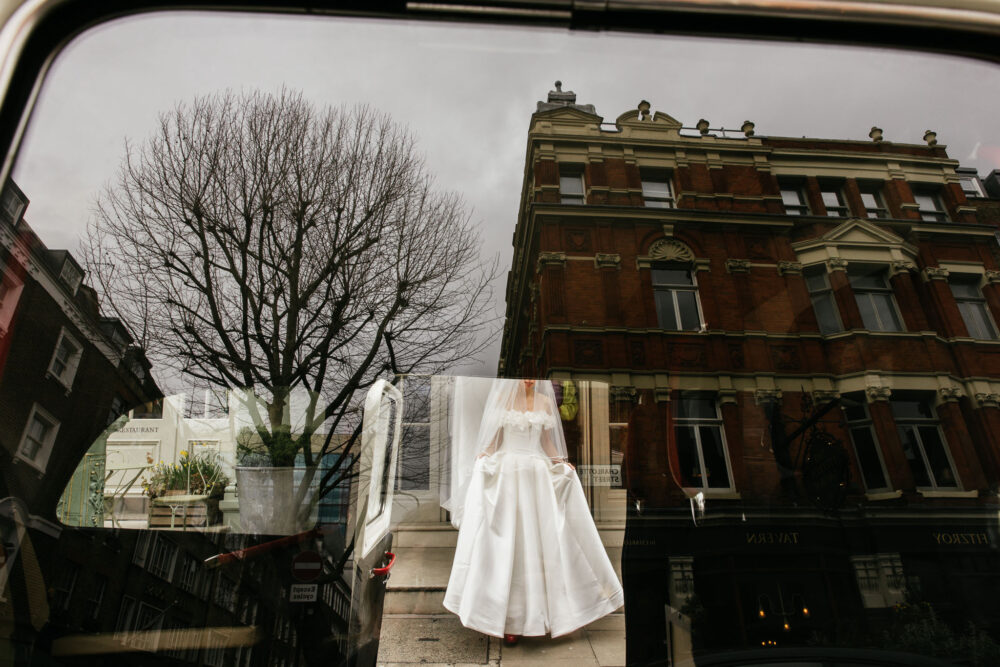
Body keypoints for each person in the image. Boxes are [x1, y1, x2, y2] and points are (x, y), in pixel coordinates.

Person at [442, 378, 624, 644]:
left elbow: (547, 442)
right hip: (508, 477)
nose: (529, 379)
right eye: (523, 375)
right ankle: (509, 621)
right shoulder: (502, 399)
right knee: (509, 548)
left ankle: (550, 614)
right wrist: (483, 459)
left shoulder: (546, 402)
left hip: (536, 476)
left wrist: (561, 463)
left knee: (542, 547)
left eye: (533, 375)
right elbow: (494, 441)